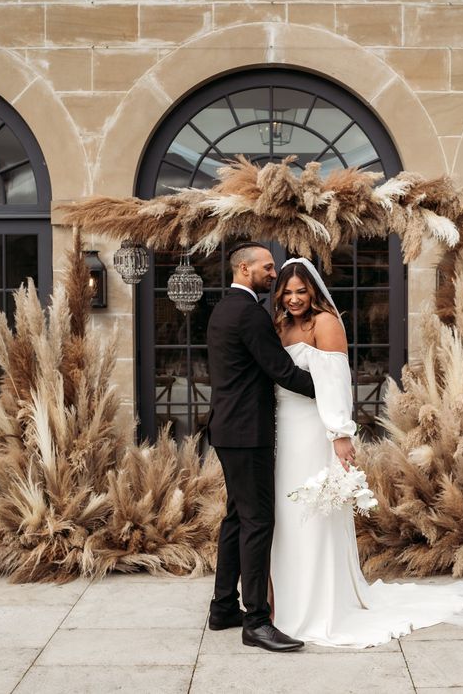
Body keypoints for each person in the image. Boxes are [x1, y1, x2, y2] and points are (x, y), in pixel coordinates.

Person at [270, 257, 463, 648]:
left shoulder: (325, 324)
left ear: (313, 292)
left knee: (312, 513)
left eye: (300, 291)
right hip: (283, 429)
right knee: (285, 515)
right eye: (287, 293)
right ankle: (283, 601)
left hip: (313, 428)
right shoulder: (281, 325)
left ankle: (318, 603)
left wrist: (340, 433)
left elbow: (335, 382)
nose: (293, 299)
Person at [206, 242, 315, 653]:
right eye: (268, 268)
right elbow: (281, 370)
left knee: (236, 518)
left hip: (227, 429)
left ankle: (222, 608)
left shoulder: (223, 308)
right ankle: (255, 620)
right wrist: (328, 388)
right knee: (257, 522)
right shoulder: (250, 313)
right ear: (245, 267)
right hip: (247, 433)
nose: (274, 273)